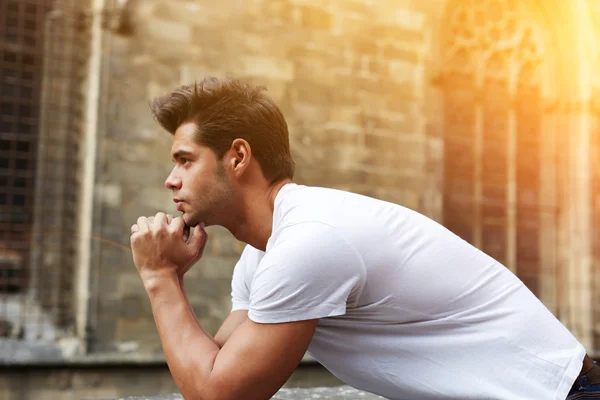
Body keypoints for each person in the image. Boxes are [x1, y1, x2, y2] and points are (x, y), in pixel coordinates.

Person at [129, 77, 599, 400]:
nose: (171, 180)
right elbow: (214, 368)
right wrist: (166, 278)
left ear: (237, 157)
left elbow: (220, 393)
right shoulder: (265, 255)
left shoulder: (311, 240)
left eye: (185, 160)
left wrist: (159, 276)